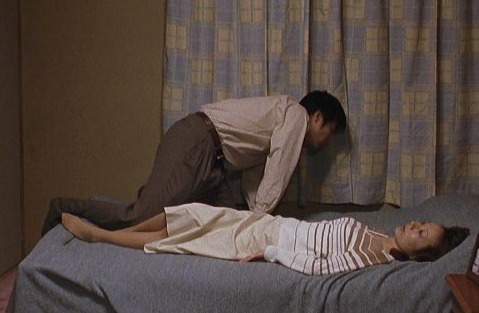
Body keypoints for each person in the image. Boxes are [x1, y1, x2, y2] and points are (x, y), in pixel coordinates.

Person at [41, 91, 347, 233]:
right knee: (140, 217)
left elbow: (259, 180)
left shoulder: (280, 119)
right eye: (330, 131)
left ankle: (153, 196)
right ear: (317, 117)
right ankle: (65, 208)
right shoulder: (296, 116)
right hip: (198, 142)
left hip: (215, 164)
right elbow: (278, 172)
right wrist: (259, 223)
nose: (327, 141)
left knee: (218, 229)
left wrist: (252, 219)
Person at [60, 203, 469, 276]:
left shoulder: (372, 258)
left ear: (420, 256)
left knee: (185, 237)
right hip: (272, 222)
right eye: (421, 223)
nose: (413, 225)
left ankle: (101, 236)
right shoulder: (379, 234)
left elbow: (320, 267)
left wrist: (272, 253)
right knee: (190, 212)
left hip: (267, 238)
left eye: (421, 233)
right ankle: (116, 232)